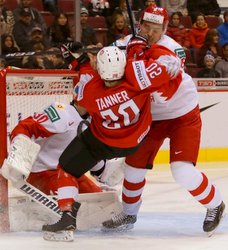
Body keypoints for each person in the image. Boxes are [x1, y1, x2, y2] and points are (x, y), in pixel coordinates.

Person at [102, 5, 225, 237]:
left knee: (182, 171)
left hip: (182, 114)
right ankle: (129, 213)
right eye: (146, 27)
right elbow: (106, 63)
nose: (150, 33)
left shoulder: (173, 50)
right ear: (139, 25)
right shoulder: (125, 43)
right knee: (133, 169)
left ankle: (215, 204)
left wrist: (138, 56)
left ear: (165, 29)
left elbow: (158, 82)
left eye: (156, 29)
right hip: (151, 118)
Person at [41, 41, 182, 238]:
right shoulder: (138, 77)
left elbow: (82, 98)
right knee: (91, 143)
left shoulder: (90, 91)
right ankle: (104, 171)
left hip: (103, 141)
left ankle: (67, 216)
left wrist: (78, 62)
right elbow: (171, 66)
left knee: (67, 168)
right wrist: (139, 51)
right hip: (134, 141)